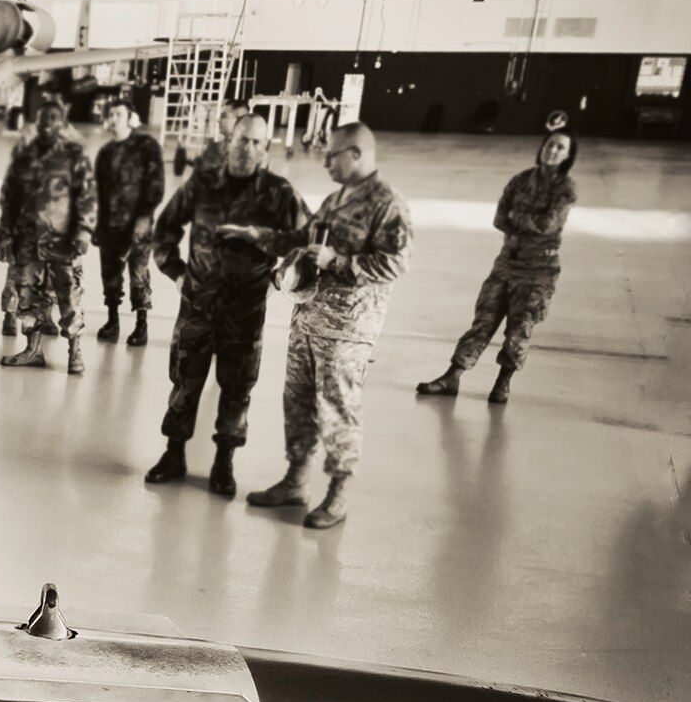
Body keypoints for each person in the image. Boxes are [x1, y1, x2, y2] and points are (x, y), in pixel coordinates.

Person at [246, 122, 412, 530]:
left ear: (356, 154)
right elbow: (306, 239)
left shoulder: (386, 202)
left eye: (331, 154)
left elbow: (396, 263)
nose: (324, 162)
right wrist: (264, 239)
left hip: (348, 327)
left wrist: (338, 261)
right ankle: (296, 481)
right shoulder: (337, 199)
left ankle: (338, 496)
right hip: (309, 318)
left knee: (338, 409)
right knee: (297, 402)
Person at [144, 113, 310, 498]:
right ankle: (174, 454)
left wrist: (278, 279)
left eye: (255, 142)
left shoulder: (279, 193)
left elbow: (307, 239)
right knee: (185, 383)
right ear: (228, 141)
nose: (246, 148)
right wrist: (177, 273)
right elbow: (165, 228)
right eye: (241, 139)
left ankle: (224, 463)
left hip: (246, 314)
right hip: (197, 308)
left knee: (236, 391)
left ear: (265, 149)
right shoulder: (202, 184)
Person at [416, 131, 577, 405]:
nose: (552, 150)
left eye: (560, 147)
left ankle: (503, 383)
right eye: (550, 144)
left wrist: (519, 218)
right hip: (506, 264)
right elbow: (500, 218)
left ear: (567, 156)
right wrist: (523, 220)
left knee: (520, 328)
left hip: (538, 270)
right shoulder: (521, 180)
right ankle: (451, 377)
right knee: (483, 321)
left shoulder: (565, 188)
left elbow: (548, 224)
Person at [0, 95, 93, 373]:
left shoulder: (74, 155)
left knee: (69, 295)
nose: (47, 123)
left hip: (63, 241)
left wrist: (84, 231)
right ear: (36, 123)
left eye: (53, 118)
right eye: (42, 118)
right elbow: (9, 200)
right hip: (27, 241)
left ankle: (75, 351)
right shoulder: (24, 158)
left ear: (62, 123)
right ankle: (33, 350)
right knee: (28, 296)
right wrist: (4, 235)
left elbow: (87, 196)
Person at [93, 98, 165, 347]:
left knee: (138, 274)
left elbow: (155, 184)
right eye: (110, 114)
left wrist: (145, 216)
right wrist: (98, 225)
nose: (113, 118)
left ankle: (141, 324)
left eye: (118, 114)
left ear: (130, 118)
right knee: (110, 275)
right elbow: (100, 193)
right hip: (111, 225)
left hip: (138, 226)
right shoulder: (105, 153)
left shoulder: (146, 146)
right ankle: (112, 320)